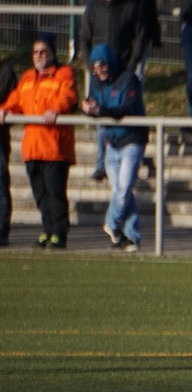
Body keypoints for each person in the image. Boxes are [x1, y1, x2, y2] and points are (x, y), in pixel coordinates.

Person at [0, 34, 78, 249]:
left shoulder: (64, 74)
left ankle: (59, 232)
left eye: (43, 51)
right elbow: (15, 100)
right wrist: (5, 109)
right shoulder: (27, 78)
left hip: (54, 146)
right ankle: (47, 229)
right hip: (33, 147)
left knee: (55, 192)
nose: (39, 56)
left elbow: (68, 96)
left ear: (52, 53)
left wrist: (56, 109)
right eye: (35, 52)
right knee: (40, 194)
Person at [79, 44, 148, 252]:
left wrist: (100, 110)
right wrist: (87, 108)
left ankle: (111, 224)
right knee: (123, 192)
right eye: (95, 68)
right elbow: (94, 106)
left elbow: (126, 107)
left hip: (132, 139)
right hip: (111, 142)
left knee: (124, 189)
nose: (99, 71)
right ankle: (129, 237)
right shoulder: (95, 81)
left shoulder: (128, 79)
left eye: (102, 66)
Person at [80, 0, 145, 179]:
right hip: (99, 74)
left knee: (126, 111)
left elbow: (140, 37)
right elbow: (84, 39)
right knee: (99, 112)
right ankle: (101, 162)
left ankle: (133, 151)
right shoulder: (93, 8)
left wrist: (132, 64)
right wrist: (91, 66)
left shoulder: (129, 7)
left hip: (122, 74)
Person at [0, 56, 18, 247]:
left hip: (0, 138)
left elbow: (13, 100)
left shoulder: (6, 72)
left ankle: (2, 231)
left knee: (1, 187)